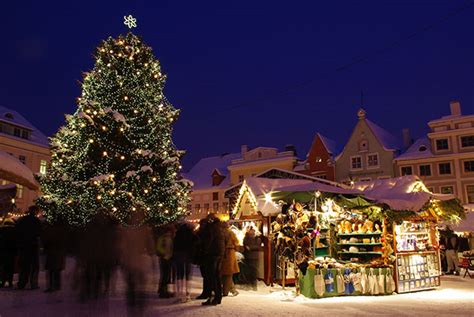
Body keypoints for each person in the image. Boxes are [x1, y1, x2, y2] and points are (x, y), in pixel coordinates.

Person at [200, 214, 225, 305]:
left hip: (212, 254)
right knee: (217, 276)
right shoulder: (219, 227)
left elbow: (208, 241)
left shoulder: (211, 228)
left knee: (212, 276)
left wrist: (205, 250)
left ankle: (213, 298)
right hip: (219, 254)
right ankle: (218, 297)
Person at [16, 206, 42, 290]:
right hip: (33, 245)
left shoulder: (22, 220)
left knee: (24, 266)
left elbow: (17, 230)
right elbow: (39, 232)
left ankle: (22, 283)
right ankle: (33, 283)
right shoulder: (36, 221)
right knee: (34, 266)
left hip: (24, 245)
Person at [172, 221, 197, 302]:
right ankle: (187, 294)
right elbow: (197, 241)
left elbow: (174, 245)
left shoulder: (178, 234)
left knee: (179, 274)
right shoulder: (191, 234)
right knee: (188, 275)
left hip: (179, 254)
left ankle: (179, 295)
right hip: (188, 255)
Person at [42, 218, 67, 292]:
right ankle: (57, 285)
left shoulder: (50, 230)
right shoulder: (62, 232)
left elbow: (46, 240)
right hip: (58, 252)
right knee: (56, 270)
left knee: (51, 271)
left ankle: (51, 286)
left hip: (52, 252)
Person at [156, 224, 174, 298]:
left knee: (166, 275)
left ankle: (163, 290)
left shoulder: (166, 238)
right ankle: (163, 291)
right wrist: (166, 254)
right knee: (165, 275)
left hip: (166, 257)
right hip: (165, 258)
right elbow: (159, 248)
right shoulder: (164, 238)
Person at [221, 223, 240, 297]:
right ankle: (227, 291)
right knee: (228, 274)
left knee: (224, 273)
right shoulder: (230, 233)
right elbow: (236, 242)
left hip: (222, 253)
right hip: (229, 253)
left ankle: (231, 289)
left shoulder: (220, 232)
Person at [0, 218, 16, 288]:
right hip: (11, 252)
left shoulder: (1, 230)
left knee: (2, 267)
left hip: (2, 251)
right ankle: (10, 281)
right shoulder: (14, 231)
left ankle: (2, 282)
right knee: (10, 268)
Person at [243, 226, 260, 290]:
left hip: (253, 256)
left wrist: (250, 248)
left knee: (253, 271)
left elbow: (257, 247)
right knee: (249, 271)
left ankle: (254, 285)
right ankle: (251, 285)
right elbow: (245, 245)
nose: (251, 232)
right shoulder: (246, 238)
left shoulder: (257, 239)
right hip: (249, 256)